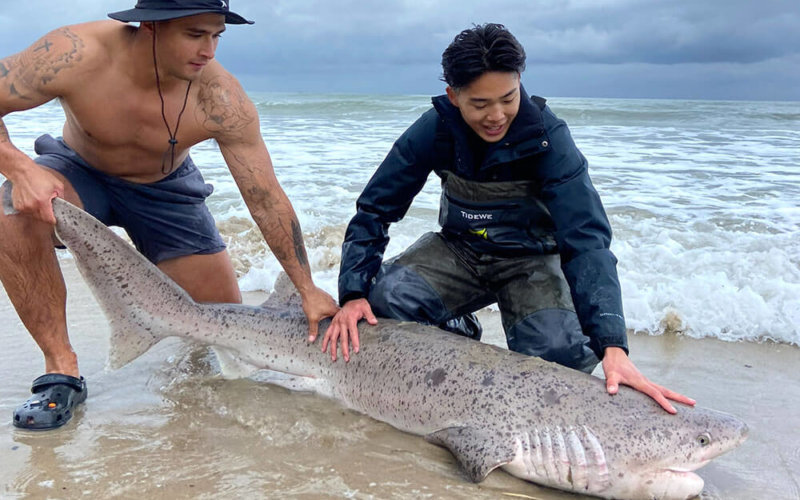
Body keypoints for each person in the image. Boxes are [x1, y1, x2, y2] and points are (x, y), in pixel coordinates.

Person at [0, 0, 339, 430]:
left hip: (166, 190)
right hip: (78, 171)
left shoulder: (221, 99)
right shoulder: (75, 53)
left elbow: (266, 197)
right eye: (195, 35)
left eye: (217, 36)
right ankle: (60, 368)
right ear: (150, 27)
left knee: (216, 321)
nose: (209, 51)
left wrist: (306, 287)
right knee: (10, 208)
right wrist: (20, 168)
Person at [322, 23, 694, 413]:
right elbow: (375, 209)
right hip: (460, 251)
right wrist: (353, 293)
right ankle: (460, 337)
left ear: (520, 82)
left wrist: (613, 346)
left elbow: (587, 240)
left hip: (531, 261)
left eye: (508, 98)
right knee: (384, 301)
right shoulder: (434, 130)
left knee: (559, 354)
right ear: (454, 96)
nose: (496, 116)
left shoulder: (550, 139)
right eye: (480, 105)